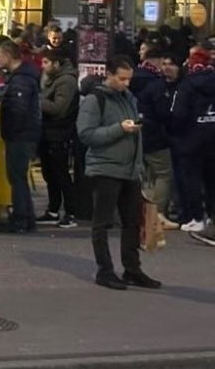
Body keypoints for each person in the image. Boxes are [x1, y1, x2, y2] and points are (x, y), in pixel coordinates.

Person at [77, 56, 160, 291]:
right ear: (109, 75)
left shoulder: (128, 98)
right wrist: (119, 129)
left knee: (132, 222)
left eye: (128, 79)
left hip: (129, 169)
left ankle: (132, 269)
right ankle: (105, 270)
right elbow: (86, 134)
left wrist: (138, 162)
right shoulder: (95, 100)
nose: (126, 83)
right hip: (105, 168)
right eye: (121, 78)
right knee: (102, 223)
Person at [0, 41, 42, 233]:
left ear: (8, 55)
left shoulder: (20, 80)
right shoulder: (22, 77)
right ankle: (27, 217)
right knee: (18, 177)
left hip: (20, 135)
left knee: (17, 177)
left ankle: (20, 219)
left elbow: (18, 110)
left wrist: (10, 131)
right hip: (25, 134)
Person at [131, 47, 175, 231]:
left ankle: (136, 212)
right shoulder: (156, 84)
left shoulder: (132, 78)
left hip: (135, 130)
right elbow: (163, 112)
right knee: (164, 173)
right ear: (156, 61)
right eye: (163, 62)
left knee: (140, 175)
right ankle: (156, 214)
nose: (165, 67)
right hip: (155, 134)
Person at [171, 48, 215, 231]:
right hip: (213, 138)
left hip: (190, 139)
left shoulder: (186, 85)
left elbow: (178, 114)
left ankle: (197, 217)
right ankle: (213, 216)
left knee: (192, 179)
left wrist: (174, 132)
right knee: (212, 180)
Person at [35, 48, 80, 228]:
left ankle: (70, 212)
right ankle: (53, 210)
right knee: (49, 173)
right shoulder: (52, 79)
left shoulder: (66, 81)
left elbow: (59, 108)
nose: (43, 66)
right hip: (49, 132)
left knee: (61, 174)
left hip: (59, 133)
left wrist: (37, 101)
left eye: (46, 63)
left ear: (56, 64)